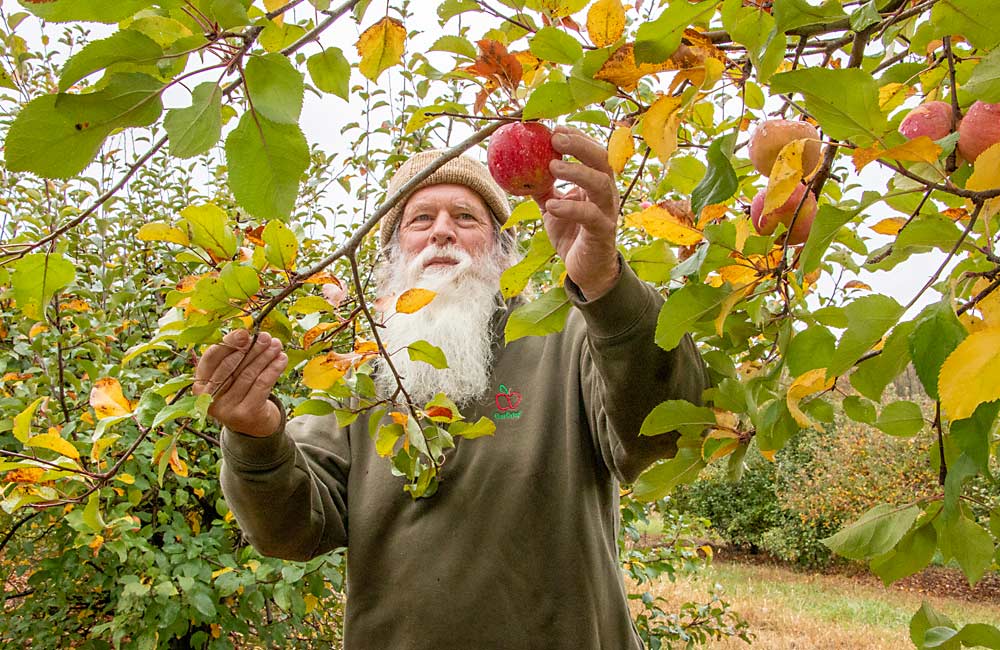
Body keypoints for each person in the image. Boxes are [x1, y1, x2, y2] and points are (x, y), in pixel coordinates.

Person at [194, 126, 710, 649]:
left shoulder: (568, 336)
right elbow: (290, 529)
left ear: (500, 247)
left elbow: (665, 435)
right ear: (394, 251)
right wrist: (256, 434)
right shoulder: (359, 376)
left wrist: (605, 286)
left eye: (466, 217)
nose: (442, 231)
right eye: (420, 219)